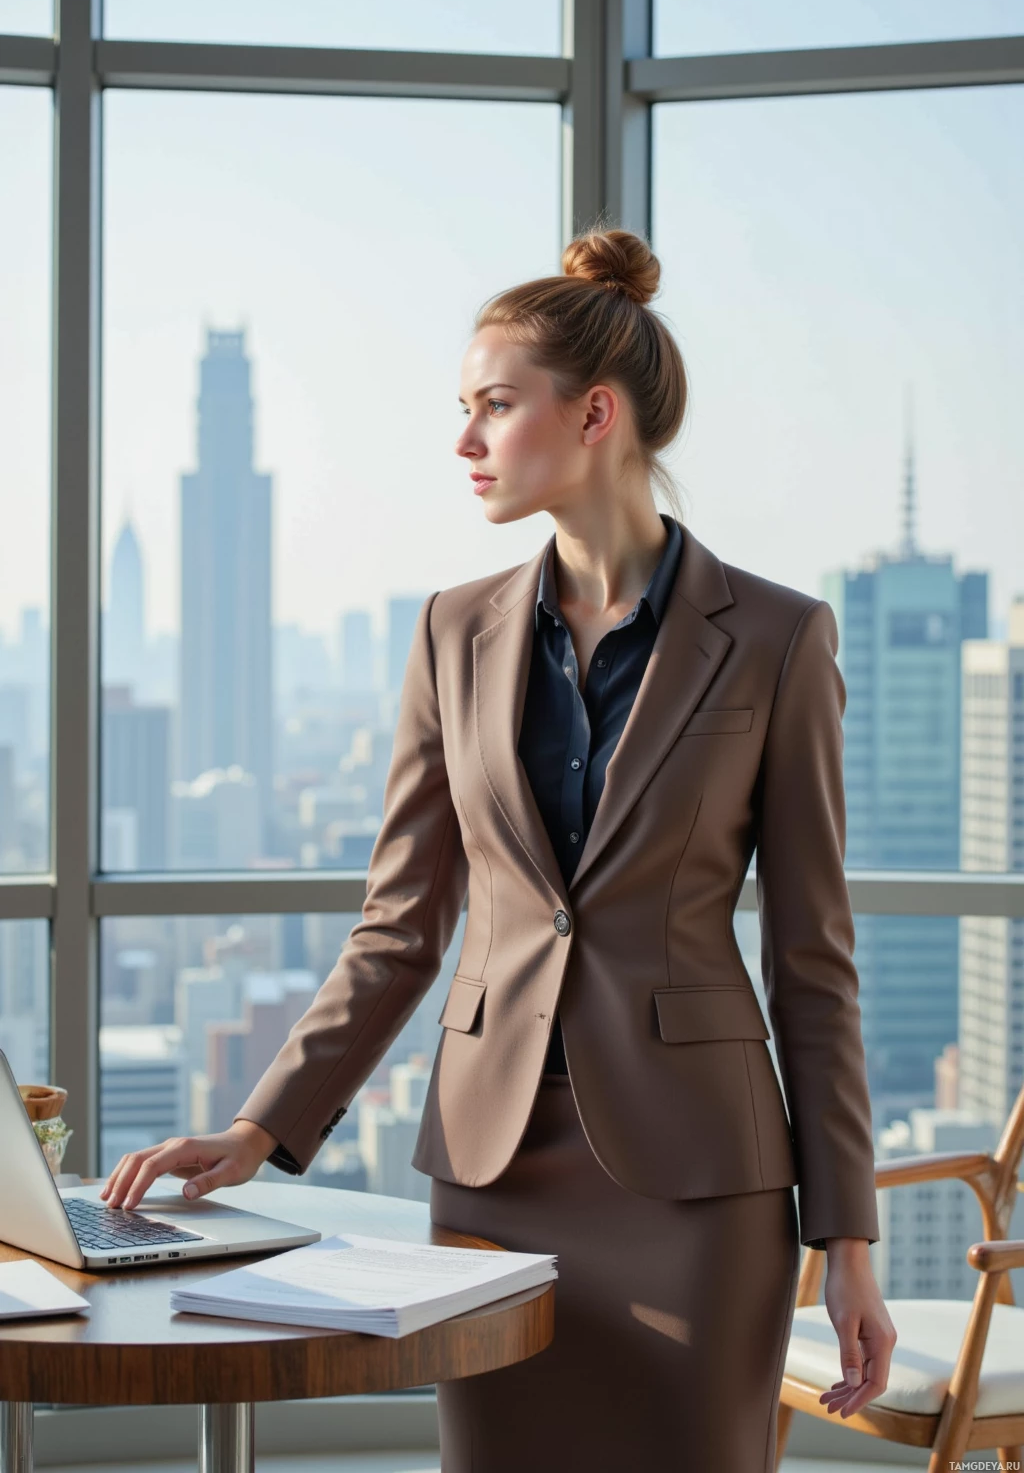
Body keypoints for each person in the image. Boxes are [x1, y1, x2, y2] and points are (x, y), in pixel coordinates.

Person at [102, 223, 897, 1471]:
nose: (463, 443)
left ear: (594, 417)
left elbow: (815, 960)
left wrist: (848, 1238)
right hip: (492, 1174)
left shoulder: (776, 640)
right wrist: (260, 1128)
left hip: (699, 1184)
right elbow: (399, 927)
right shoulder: (450, 632)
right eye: (460, 409)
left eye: (492, 407)